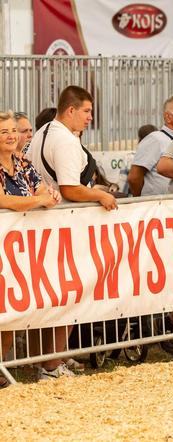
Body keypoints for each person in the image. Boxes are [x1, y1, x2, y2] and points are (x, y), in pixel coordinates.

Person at [0, 111, 65, 382]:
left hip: (24, 247)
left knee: (14, 309)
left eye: (13, 130)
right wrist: (39, 202)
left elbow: (38, 187)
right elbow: (4, 200)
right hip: (6, 244)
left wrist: (48, 195)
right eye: (4, 132)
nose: (12, 136)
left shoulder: (23, 161)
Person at [27, 85, 116, 210]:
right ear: (71, 111)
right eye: (86, 111)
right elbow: (70, 189)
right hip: (65, 216)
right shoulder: (66, 141)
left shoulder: (42, 130)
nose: (90, 117)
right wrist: (101, 195)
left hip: (44, 215)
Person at [128, 95, 173, 196]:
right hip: (156, 208)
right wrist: (143, 201)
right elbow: (134, 177)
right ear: (168, 117)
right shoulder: (155, 139)